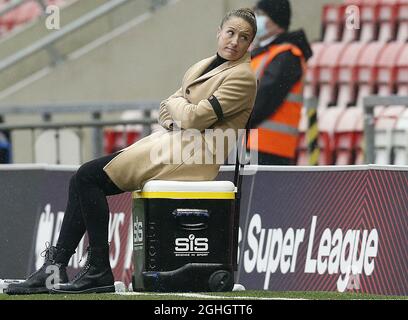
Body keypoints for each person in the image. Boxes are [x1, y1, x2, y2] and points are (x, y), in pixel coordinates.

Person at [6, 8, 258, 295]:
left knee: (88, 177)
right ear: (219, 32)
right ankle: (58, 268)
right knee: (83, 178)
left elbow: (193, 118)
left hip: (194, 157)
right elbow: (167, 109)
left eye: (244, 37)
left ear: (250, 44)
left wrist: (181, 112)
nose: (235, 41)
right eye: (230, 32)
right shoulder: (202, 65)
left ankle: (96, 269)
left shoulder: (243, 77)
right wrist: (182, 114)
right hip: (174, 145)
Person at [247, 0, 313, 165]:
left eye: (261, 14)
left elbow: (263, 100)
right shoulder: (263, 54)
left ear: (275, 20)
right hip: (253, 146)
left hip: (269, 150)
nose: (255, 19)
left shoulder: (286, 56)